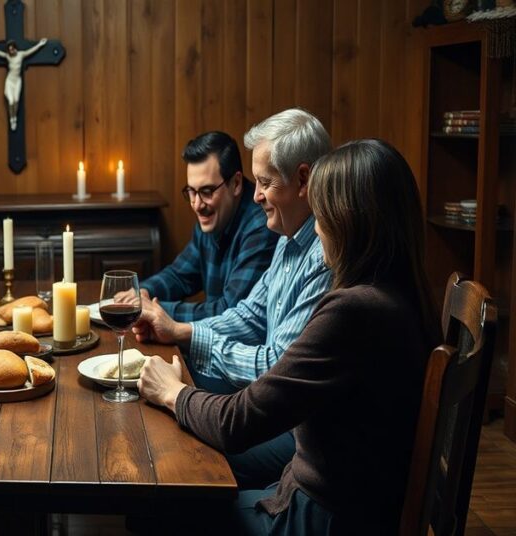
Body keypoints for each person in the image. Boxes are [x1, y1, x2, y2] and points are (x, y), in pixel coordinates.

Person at [137, 139, 440, 533]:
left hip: (319, 519)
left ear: (351, 220)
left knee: (165, 502)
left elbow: (238, 421)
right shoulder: (400, 292)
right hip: (339, 505)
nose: (316, 226)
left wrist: (171, 392)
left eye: (323, 213)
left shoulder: (354, 311)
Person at [132, 108, 332, 489]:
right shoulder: (290, 237)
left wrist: (179, 392)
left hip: (297, 431)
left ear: (303, 179)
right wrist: (180, 330)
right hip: (270, 402)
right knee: (159, 419)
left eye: (265, 182)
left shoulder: (321, 252)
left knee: (174, 456)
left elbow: (276, 367)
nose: (257, 196)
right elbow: (250, 315)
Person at [123, 131, 278, 322]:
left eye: (206, 191)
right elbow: (180, 275)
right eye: (191, 191)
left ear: (236, 183)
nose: (196, 204)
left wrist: (153, 309)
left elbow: (230, 313)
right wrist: (141, 292)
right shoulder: (213, 216)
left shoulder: (261, 227)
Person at [0, 38, 48, 130]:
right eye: (9, 50)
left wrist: (40, 44)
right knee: (11, 101)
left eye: (12, 49)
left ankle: (14, 117)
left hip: (17, 81)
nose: (11, 51)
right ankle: (12, 119)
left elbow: (31, 51)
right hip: (10, 81)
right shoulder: (8, 56)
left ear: (15, 48)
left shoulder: (21, 55)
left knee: (16, 100)